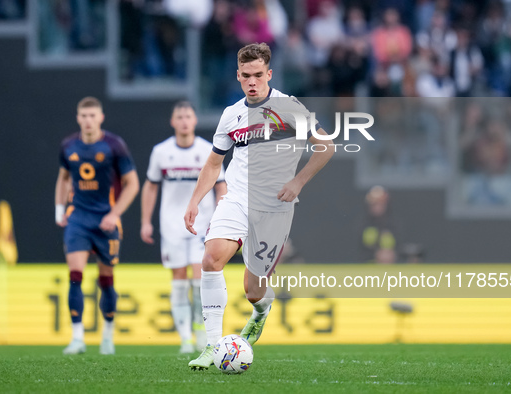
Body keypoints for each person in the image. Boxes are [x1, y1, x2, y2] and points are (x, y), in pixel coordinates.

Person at [184, 42, 335, 369]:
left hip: (274, 209)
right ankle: (212, 346)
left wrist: (297, 182)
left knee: (253, 290)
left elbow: (326, 147)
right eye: (246, 76)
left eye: (258, 75)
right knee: (210, 259)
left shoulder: (290, 107)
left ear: (269, 73)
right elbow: (213, 164)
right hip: (237, 198)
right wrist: (195, 200)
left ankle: (261, 311)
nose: (252, 81)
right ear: (238, 76)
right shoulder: (230, 115)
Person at [55, 97, 140, 355]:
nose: (88, 120)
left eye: (93, 115)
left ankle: (107, 335)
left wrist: (114, 214)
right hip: (79, 219)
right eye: (84, 116)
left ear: (101, 117)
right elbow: (63, 178)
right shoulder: (68, 146)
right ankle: (78, 338)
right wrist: (60, 209)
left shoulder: (114, 146)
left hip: (105, 220)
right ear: (78, 118)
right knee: (75, 276)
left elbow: (132, 183)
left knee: (106, 280)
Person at [140, 101, 226, 354]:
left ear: (195, 120)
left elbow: (221, 185)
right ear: (173, 122)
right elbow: (151, 186)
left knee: (200, 279)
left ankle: (201, 332)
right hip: (172, 225)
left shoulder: (207, 150)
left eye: (188, 116)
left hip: (202, 225)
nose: (184, 121)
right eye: (180, 116)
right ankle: (185, 338)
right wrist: (146, 221)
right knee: (178, 280)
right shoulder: (161, 152)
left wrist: (220, 216)